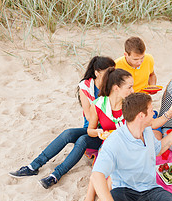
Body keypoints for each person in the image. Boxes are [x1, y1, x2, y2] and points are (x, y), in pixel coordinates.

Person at [76, 69, 172, 201]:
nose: (132, 90)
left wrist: (171, 113)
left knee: (113, 171)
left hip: (127, 146)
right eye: (129, 87)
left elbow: (151, 123)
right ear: (116, 88)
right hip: (111, 142)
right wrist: (99, 132)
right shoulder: (99, 104)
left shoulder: (129, 106)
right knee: (100, 168)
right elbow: (89, 130)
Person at [9, 56, 116, 188]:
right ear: (97, 73)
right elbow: (89, 116)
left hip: (107, 130)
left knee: (82, 140)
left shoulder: (114, 87)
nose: (112, 74)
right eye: (108, 71)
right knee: (68, 133)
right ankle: (33, 166)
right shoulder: (86, 86)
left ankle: (55, 175)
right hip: (93, 126)